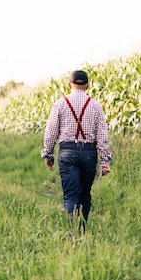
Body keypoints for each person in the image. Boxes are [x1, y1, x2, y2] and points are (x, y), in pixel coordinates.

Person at [40, 69, 112, 236]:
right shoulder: (95, 105)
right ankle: (83, 229)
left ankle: (72, 232)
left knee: (71, 194)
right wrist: (104, 162)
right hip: (89, 153)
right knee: (85, 194)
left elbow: (51, 132)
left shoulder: (60, 103)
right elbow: (102, 135)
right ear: (87, 86)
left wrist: (48, 154)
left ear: (69, 85)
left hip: (67, 152)